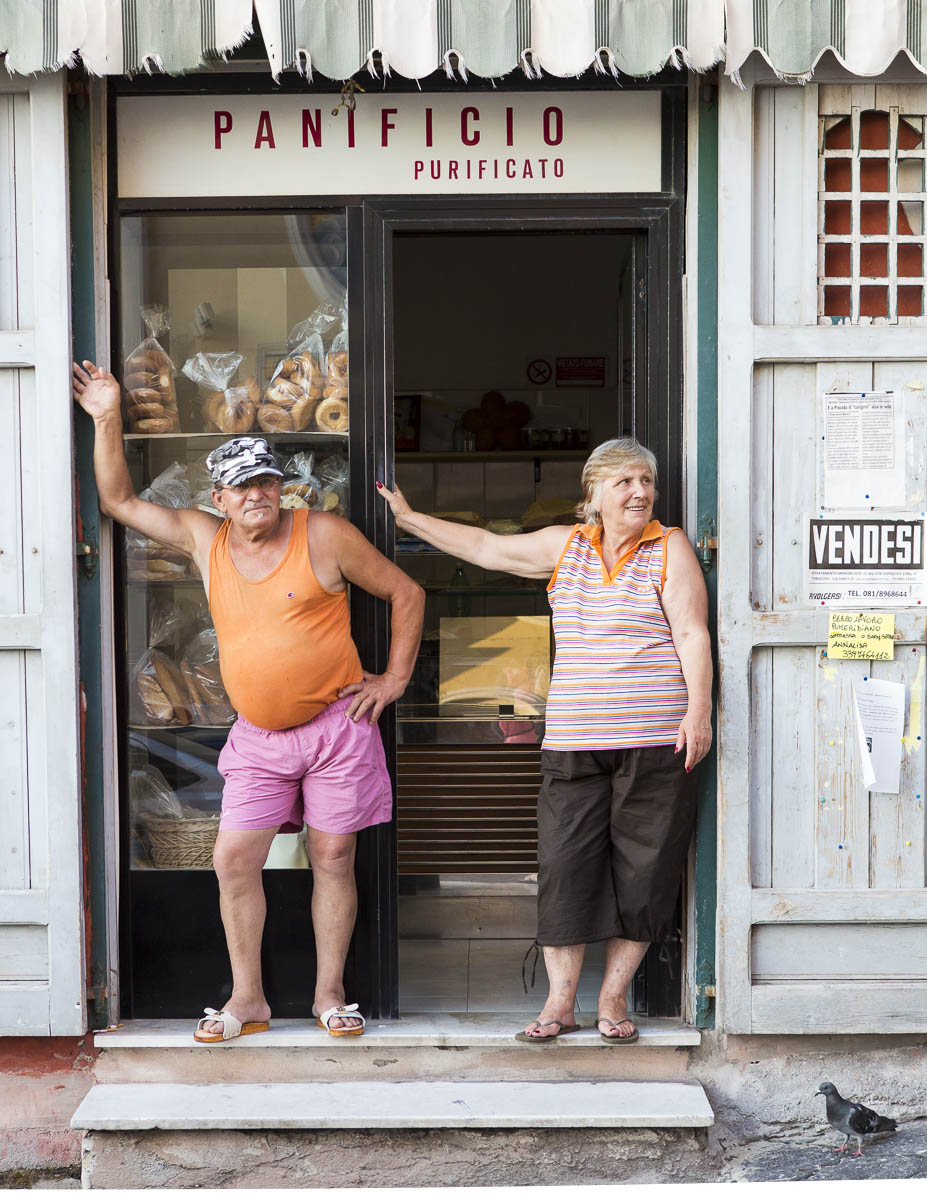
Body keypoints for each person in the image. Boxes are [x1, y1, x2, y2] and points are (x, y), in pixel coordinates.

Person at [73, 359, 424, 1041]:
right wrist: (108, 415)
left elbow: (406, 593)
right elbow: (119, 502)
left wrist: (394, 679)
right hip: (259, 737)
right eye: (242, 486)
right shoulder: (203, 537)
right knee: (233, 860)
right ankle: (248, 1001)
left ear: (280, 486)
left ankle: (330, 997)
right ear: (221, 499)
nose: (257, 493)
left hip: (336, 726)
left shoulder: (323, 533)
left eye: (266, 480)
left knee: (333, 858)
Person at [378, 437, 712, 1044]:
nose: (639, 492)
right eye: (624, 482)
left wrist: (699, 712)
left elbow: (691, 633)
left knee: (645, 869)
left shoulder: (670, 547)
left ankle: (613, 999)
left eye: (646, 481)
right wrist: (408, 519)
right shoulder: (566, 546)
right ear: (594, 495)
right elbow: (486, 547)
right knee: (564, 866)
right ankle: (561, 1002)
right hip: (573, 740)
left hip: (654, 738)